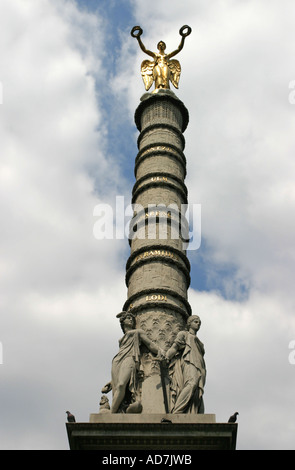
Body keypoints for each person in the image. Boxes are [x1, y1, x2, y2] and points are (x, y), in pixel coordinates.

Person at [109, 311, 164, 413]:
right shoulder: (121, 339)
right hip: (117, 360)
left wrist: (160, 351)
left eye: (131, 318)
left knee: (121, 384)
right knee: (117, 388)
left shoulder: (138, 332)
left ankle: (111, 413)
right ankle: (121, 409)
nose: (130, 319)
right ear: (122, 321)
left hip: (130, 357)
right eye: (128, 318)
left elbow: (150, 344)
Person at [165, 315, 206, 414]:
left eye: (199, 322)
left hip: (200, 365)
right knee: (192, 383)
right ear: (189, 323)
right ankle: (177, 411)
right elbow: (174, 348)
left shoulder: (198, 341)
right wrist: (167, 356)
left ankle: (194, 413)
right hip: (188, 361)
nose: (198, 324)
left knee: (197, 391)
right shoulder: (184, 334)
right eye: (196, 322)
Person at [131, 25, 191, 91]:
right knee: (158, 76)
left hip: (165, 65)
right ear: (158, 47)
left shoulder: (167, 55)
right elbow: (144, 49)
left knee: (165, 77)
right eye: (159, 45)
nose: (161, 45)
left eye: (162, 45)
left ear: (165, 47)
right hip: (157, 66)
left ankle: (167, 89)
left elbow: (179, 49)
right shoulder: (155, 55)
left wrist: (183, 38)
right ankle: (158, 89)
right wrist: (138, 38)